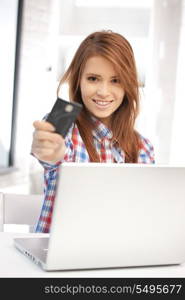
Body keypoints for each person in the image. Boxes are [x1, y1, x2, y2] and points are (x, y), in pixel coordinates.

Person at [31, 30, 155, 233]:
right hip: (61, 257)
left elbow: (142, 212)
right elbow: (53, 152)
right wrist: (49, 150)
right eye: (93, 78)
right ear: (78, 80)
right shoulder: (62, 121)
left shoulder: (143, 146)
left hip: (119, 254)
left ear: (128, 85)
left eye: (116, 80)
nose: (103, 91)